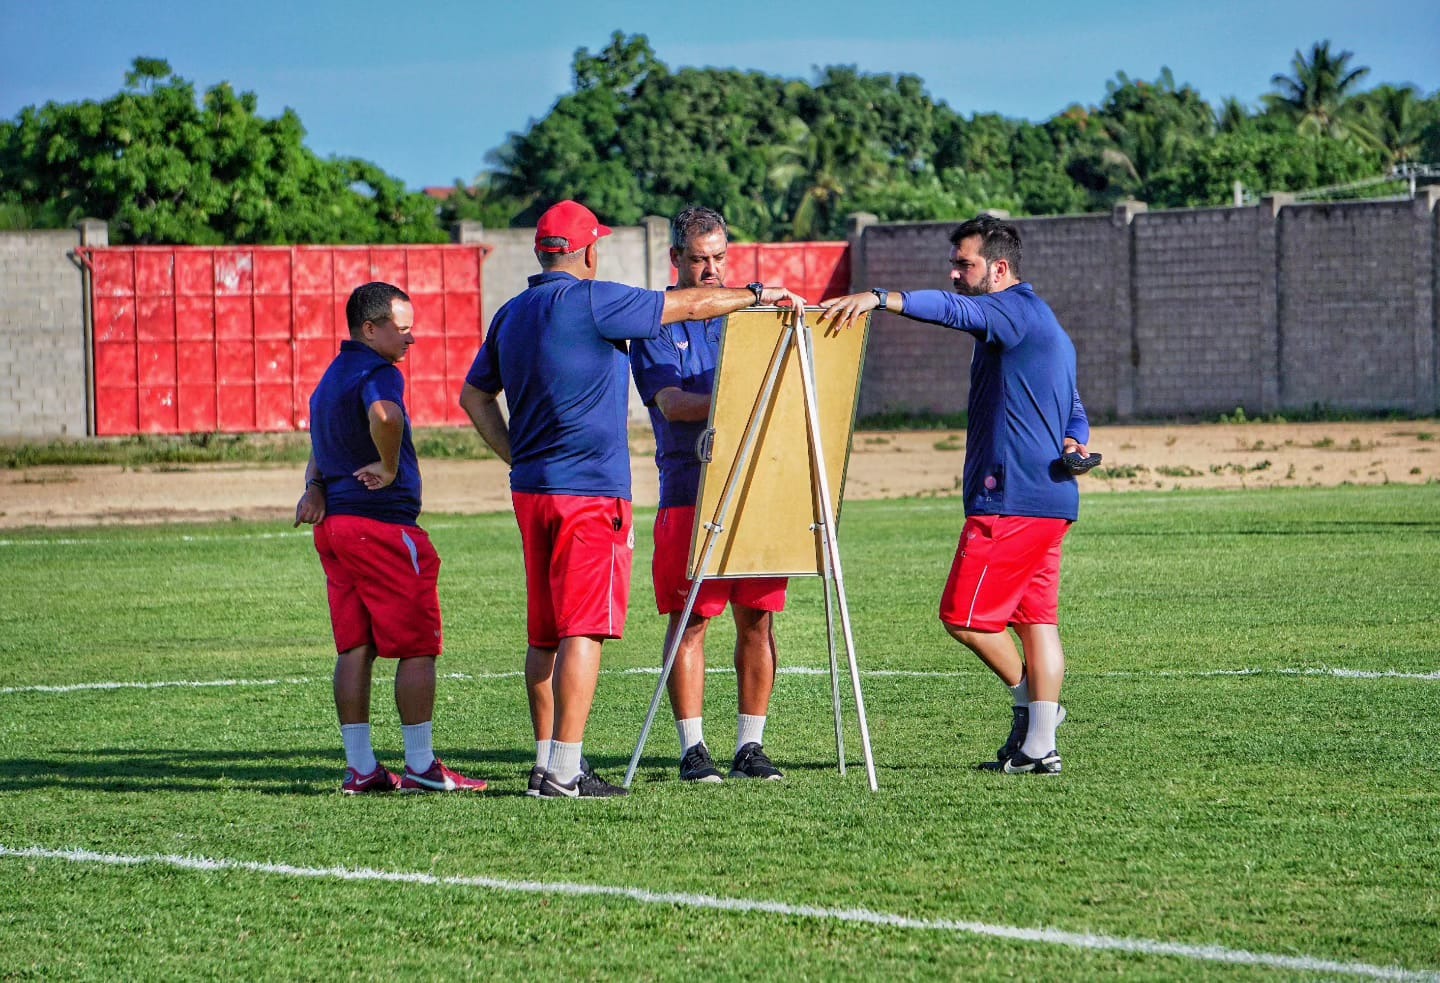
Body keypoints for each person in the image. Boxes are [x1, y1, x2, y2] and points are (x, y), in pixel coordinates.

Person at [459, 200, 805, 798]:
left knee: (545, 633)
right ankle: (568, 767)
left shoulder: (511, 313)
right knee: (584, 630)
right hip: (593, 494)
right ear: (590, 251)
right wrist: (759, 296)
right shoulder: (598, 301)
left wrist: (518, 455)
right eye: (700, 259)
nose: (710, 269)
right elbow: (686, 328)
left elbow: (473, 398)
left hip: (535, 490)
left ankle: (549, 762)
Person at [820, 215, 1092, 776]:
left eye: (964, 264)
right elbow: (1075, 408)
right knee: (1037, 623)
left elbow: (952, 310)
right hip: (1051, 500)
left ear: (999, 267)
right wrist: (1075, 439)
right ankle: (1040, 748)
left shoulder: (1007, 311)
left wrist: (880, 298)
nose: (954, 274)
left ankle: (1033, 707)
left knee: (963, 616)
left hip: (1013, 500)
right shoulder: (1044, 320)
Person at [295, 281, 488, 795]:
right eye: (402, 330)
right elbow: (386, 415)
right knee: (417, 646)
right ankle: (422, 765)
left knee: (355, 647)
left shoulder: (329, 378)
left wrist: (314, 486)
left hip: (335, 528)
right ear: (369, 329)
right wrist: (386, 464)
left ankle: (361, 768)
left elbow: (320, 438)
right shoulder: (379, 373)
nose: (412, 339)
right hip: (381, 527)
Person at [629, 205, 787, 783]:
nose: (712, 270)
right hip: (688, 491)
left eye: (720, 257)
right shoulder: (656, 321)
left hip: (755, 493)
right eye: (699, 259)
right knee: (690, 622)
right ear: (676, 259)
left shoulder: (753, 314)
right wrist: (749, 397)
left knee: (758, 622)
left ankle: (751, 746)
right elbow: (672, 404)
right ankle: (693, 748)